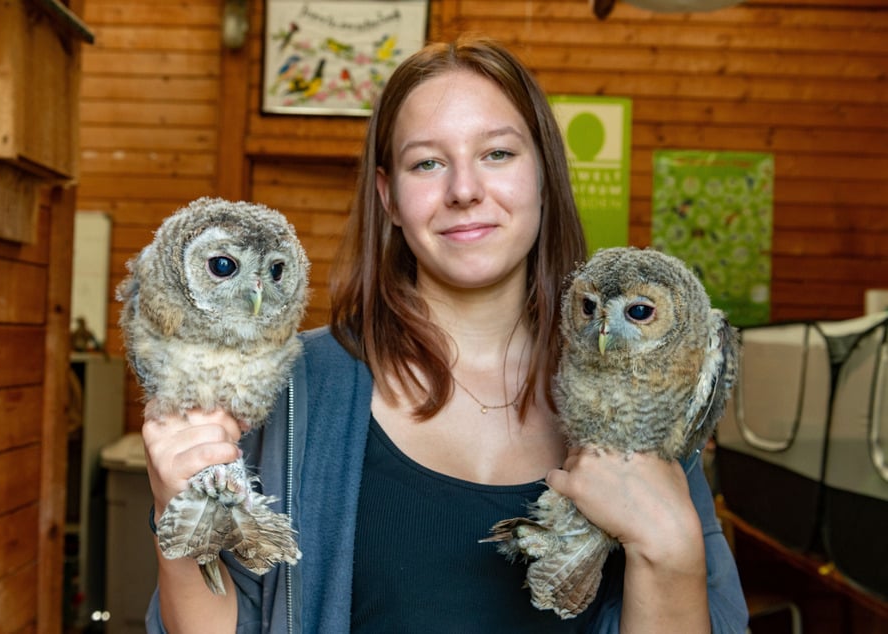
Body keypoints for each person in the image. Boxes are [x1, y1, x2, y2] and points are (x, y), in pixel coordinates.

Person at [142, 35, 748, 633]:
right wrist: (176, 512)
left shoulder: (644, 394)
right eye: (427, 162)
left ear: (544, 175)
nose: (463, 190)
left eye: (498, 154)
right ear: (390, 197)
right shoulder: (293, 387)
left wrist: (670, 550)